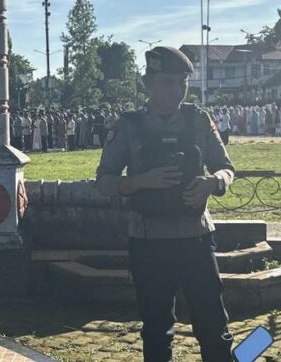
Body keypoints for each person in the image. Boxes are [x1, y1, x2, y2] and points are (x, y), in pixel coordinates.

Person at [96, 47, 235, 362]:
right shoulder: (128, 125)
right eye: (168, 82)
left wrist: (213, 183)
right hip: (149, 240)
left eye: (182, 82)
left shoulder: (199, 120)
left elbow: (227, 167)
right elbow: (104, 181)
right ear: (149, 83)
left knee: (213, 324)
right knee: (157, 330)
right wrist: (141, 182)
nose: (177, 90)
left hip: (196, 237)